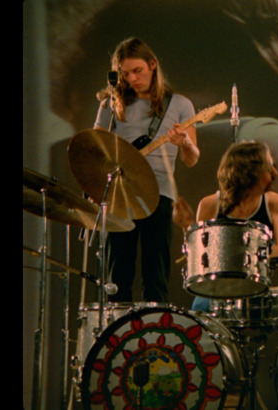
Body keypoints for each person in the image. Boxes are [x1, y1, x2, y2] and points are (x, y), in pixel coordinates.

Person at [93, 37, 200, 303]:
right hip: (120, 195)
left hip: (159, 194)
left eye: (137, 71)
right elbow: (94, 148)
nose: (132, 79)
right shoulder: (111, 104)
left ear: (152, 65)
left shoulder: (180, 104)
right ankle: (119, 328)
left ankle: (155, 327)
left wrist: (185, 143)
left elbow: (192, 159)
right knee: (117, 279)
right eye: (125, 74)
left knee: (156, 277)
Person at [190, 140, 278, 312]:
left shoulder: (276, 203)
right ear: (250, 171)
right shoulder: (209, 205)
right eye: (269, 167)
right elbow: (200, 259)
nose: (276, 173)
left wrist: (234, 258)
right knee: (200, 307)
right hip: (218, 289)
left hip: (259, 287)